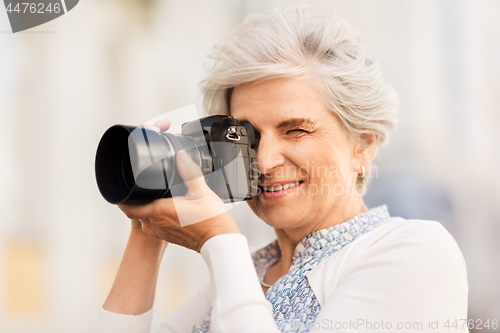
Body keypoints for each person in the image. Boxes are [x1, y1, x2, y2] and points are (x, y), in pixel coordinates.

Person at [91, 5, 468, 333]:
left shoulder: (415, 253)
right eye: (249, 137)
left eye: (296, 130)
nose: (267, 161)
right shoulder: (250, 268)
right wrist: (146, 231)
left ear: (363, 145)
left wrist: (218, 239)